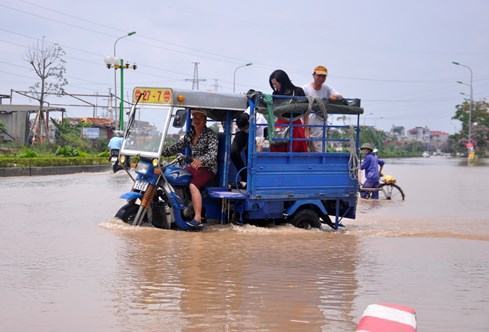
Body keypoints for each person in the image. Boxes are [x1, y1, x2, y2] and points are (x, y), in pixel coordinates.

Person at [161, 109, 218, 230]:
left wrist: (201, 160)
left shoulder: (210, 135)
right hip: (193, 166)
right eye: (194, 117)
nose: (196, 120)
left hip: (208, 168)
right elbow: (178, 146)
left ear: (204, 120)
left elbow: (213, 154)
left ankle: (197, 218)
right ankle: (181, 207)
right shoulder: (190, 134)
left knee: (193, 185)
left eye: (199, 118)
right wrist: (161, 152)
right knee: (175, 176)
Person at [302, 65, 343, 152]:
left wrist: (334, 97)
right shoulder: (305, 89)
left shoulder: (326, 89)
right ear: (314, 76)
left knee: (319, 147)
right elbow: (303, 109)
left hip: (320, 122)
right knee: (304, 146)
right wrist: (306, 129)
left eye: (323, 76)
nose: (321, 78)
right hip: (306, 120)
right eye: (319, 75)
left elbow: (339, 96)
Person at [268, 69, 308, 152]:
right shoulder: (275, 94)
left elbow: (305, 111)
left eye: (276, 84)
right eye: (273, 84)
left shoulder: (298, 91)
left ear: (283, 81)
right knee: (278, 148)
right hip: (280, 124)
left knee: (297, 149)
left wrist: (306, 130)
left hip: (296, 124)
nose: (275, 86)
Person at [231, 112, 250, 185]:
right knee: (233, 153)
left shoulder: (258, 119)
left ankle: (248, 178)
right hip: (243, 136)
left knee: (248, 152)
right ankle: (244, 176)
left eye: (244, 128)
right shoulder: (239, 116)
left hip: (255, 137)